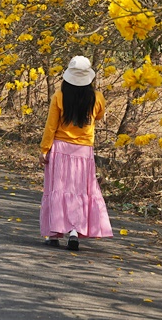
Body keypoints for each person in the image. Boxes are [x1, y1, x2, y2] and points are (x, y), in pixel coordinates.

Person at [39, 55, 113, 250]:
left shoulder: (59, 95)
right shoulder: (97, 97)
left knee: (57, 190)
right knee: (79, 191)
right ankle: (74, 232)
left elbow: (51, 126)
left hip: (60, 149)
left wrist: (44, 149)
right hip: (84, 151)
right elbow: (98, 115)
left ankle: (53, 233)